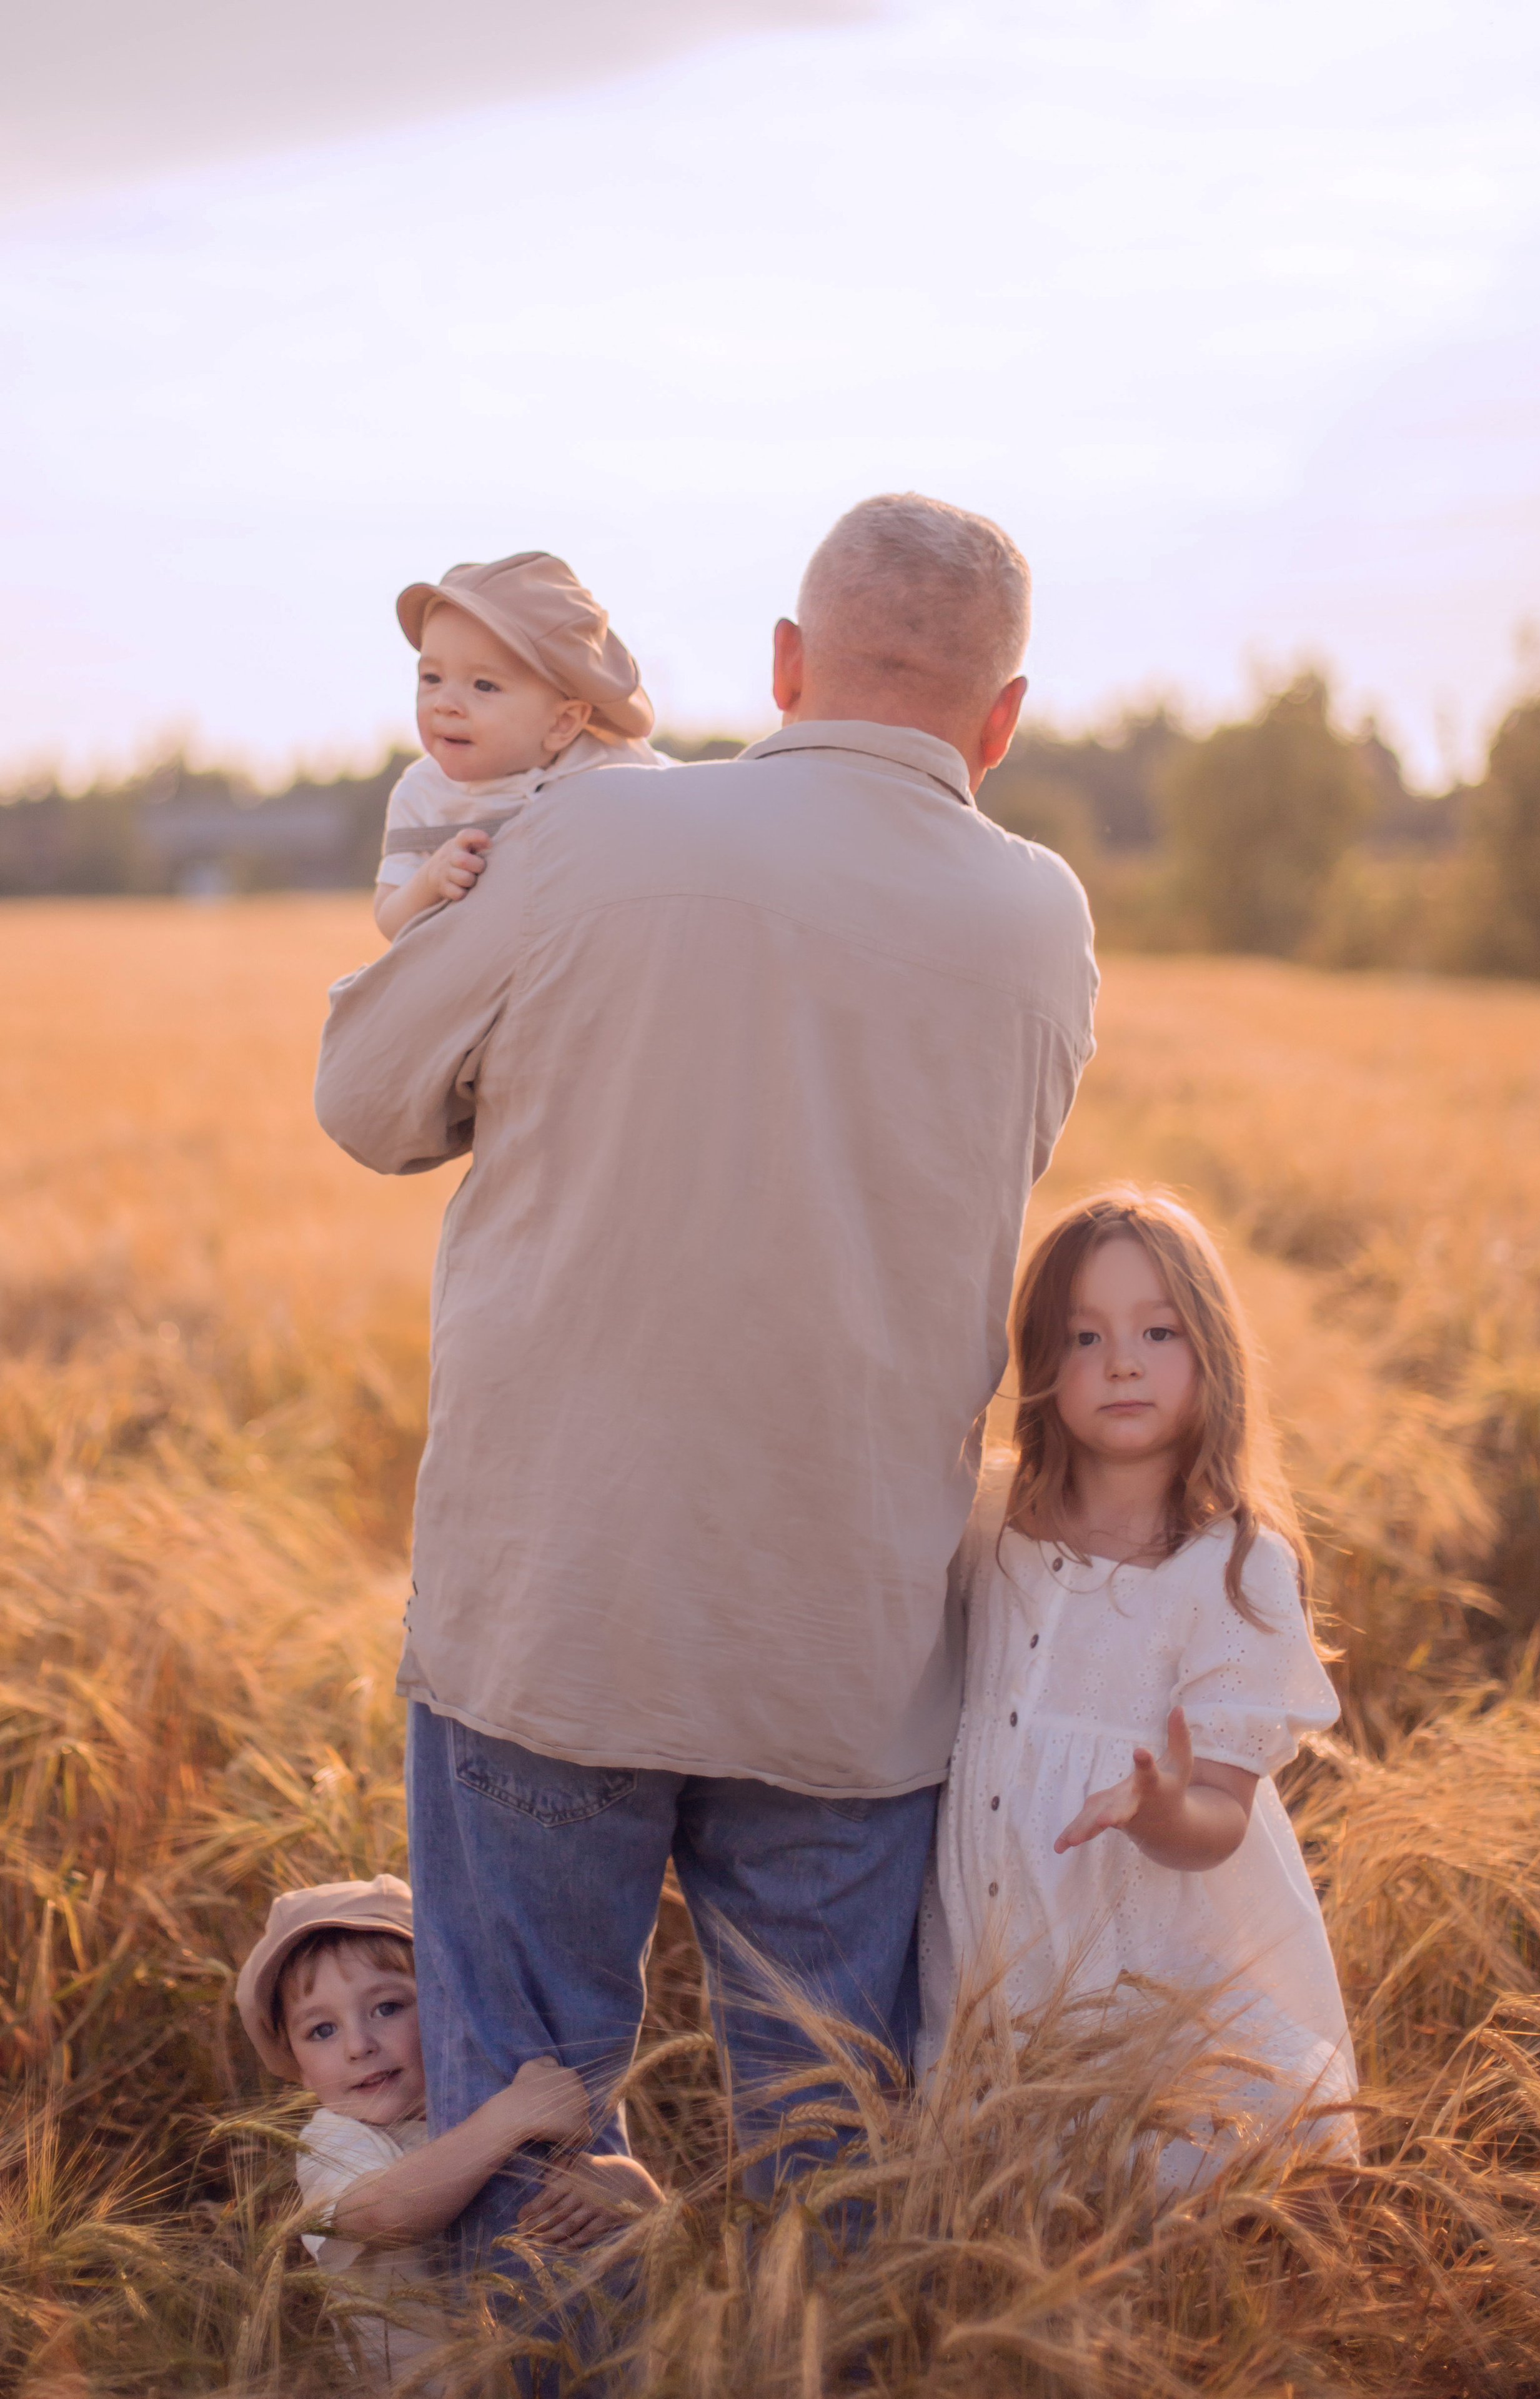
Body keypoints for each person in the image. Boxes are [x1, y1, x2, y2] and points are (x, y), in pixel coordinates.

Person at [314, 493, 1100, 2256]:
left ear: (786, 664)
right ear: (1003, 719)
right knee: (835, 2165)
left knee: (533, 2139)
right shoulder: (1040, 921)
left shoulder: (592, 843)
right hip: (848, 1647)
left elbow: (365, 1107)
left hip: (555, 1608)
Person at [917, 1189, 1356, 2184]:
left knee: (1137, 2176)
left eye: (1158, 1330)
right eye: (1084, 1336)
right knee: (990, 2177)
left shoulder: (1233, 1571)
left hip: (1136, 1955)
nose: (1121, 1360)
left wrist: (1162, 1808)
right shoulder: (988, 1520)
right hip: (988, 1943)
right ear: (1040, 1364)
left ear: (1213, 1354)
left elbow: (1223, 1818)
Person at [234, 1876, 658, 2381]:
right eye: (321, 2030)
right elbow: (382, 2214)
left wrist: (632, 2187)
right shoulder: (333, 2140)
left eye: (387, 2007)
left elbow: (655, 2246)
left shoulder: (490, 2097)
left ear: (445, 2007)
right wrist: (505, 2121)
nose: (358, 2045)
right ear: (297, 2065)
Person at [373, 550, 670, 943]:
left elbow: (680, 829)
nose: (445, 703)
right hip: (473, 971)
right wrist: (429, 881)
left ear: (563, 723)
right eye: (432, 678)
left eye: (484, 686)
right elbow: (388, 918)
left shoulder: (614, 767)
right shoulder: (422, 794)